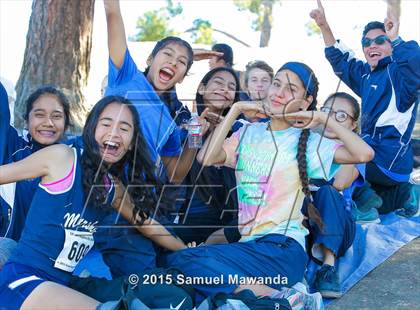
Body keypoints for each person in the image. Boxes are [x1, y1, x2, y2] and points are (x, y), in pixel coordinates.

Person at [164, 62, 374, 305]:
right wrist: (237, 108)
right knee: (178, 266)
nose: (279, 92)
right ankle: (277, 296)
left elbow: (364, 154)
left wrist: (320, 118)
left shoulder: (308, 142)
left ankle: (276, 296)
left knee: (184, 262)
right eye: (277, 84)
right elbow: (206, 157)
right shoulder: (248, 133)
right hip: (249, 249)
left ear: (306, 101)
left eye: (291, 89)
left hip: (282, 251)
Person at [0, 96, 190, 309]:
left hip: (62, 285)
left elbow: (147, 225)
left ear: (131, 144)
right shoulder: (62, 157)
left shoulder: (112, 187)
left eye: (124, 128)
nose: (114, 132)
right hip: (23, 282)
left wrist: (186, 250)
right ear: (91, 130)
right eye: (106, 124)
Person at [310, 0, 420, 215]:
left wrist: (396, 38)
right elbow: (341, 59)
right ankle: (402, 195)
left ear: (391, 46)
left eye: (381, 40)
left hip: (390, 161)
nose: (372, 45)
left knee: (341, 154)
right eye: (367, 42)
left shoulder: (401, 75)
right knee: (330, 144)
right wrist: (324, 26)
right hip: (369, 157)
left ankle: (357, 203)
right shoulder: (366, 75)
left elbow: (416, 67)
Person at [306, 92, 365, 298]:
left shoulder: (356, 152)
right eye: (328, 113)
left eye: (340, 116)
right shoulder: (309, 141)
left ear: (353, 124)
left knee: (327, 191)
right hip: (307, 221)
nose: (331, 120)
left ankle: (328, 267)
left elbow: (339, 183)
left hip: (339, 226)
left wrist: (344, 138)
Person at [175, 66, 241, 244]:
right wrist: (195, 136)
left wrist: (225, 126)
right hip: (197, 216)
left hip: (236, 217)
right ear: (202, 89)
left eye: (231, 87)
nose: (225, 89)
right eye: (218, 82)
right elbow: (182, 172)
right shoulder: (184, 123)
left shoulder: (240, 130)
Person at [0, 84, 72, 242]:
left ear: (66, 124)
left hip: (49, 257)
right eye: (39, 115)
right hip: (9, 247)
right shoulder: (11, 146)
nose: (48, 122)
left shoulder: (74, 157)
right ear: (26, 120)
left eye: (57, 116)